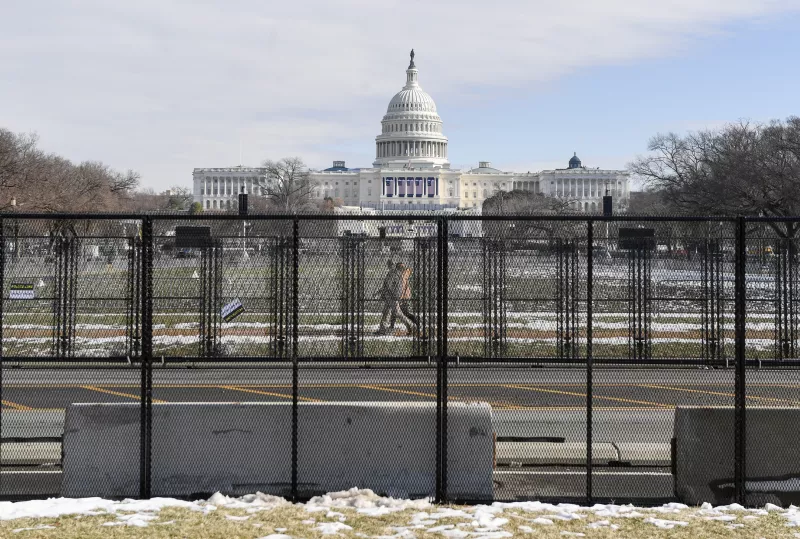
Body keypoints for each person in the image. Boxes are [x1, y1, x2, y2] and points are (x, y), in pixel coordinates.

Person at [376, 259, 415, 336]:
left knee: (398, 313)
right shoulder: (395, 273)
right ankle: (382, 330)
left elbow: (389, 286)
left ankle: (411, 326)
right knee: (386, 312)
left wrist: (389, 294)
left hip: (392, 297)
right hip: (391, 296)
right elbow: (389, 285)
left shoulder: (393, 273)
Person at [391, 262, 417, 327]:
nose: (401, 269)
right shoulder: (399, 275)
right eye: (400, 268)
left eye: (402, 268)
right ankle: (391, 326)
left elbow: (409, 269)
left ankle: (417, 323)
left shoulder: (403, 274)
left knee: (405, 313)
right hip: (400, 296)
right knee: (394, 311)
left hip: (404, 296)